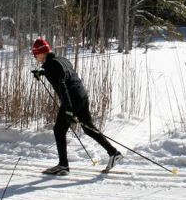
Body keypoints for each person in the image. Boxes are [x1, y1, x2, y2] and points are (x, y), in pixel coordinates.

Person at [31, 37, 122, 175]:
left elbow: (62, 87)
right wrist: (42, 73)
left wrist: (68, 110)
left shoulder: (50, 66)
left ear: (41, 53)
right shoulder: (61, 60)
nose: (36, 57)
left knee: (59, 130)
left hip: (72, 100)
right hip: (82, 96)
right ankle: (113, 153)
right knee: (89, 129)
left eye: (36, 54)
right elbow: (63, 74)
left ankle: (63, 165)